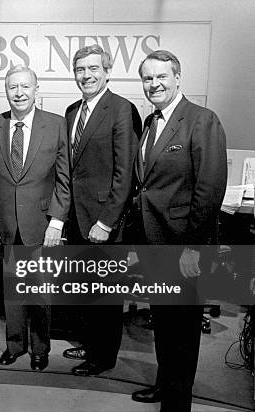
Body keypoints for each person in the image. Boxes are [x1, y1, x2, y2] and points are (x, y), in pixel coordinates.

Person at [128, 50, 227, 411]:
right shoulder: (152, 122)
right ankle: (164, 384)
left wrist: (191, 249)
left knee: (182, 331)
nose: (154, 84)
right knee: (164, 324)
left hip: (183, 248)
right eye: (147, 78)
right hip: (155, 245)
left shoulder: (201, 120)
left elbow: (210, 189)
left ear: (178, 78)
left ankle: (176, 402)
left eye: (161, 77)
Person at [0, 65, 70, 371]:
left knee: (41, 292)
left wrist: (57, 221)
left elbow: (64, 179)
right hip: (5, 222)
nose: (19, 93)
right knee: (12, 290)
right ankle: (15, 345)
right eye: (12, 87)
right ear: (5, 91)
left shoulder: (56, 125)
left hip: (42, 223)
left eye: (25, 87)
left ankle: (40, 348)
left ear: (36, 89)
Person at [62, 45, 141, 376]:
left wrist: (107, 222)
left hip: (105, 222)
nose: (86, 75)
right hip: (77, 218)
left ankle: (102, 357)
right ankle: (91, 343)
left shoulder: (122, 109)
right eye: (80, 69)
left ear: (107, 72)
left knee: (106, 295)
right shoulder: (70, 111)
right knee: (85, 288)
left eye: (93, 69)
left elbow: (126, 175)